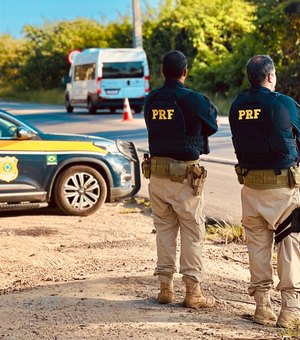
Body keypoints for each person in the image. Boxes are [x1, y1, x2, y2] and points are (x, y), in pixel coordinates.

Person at [143, 50, 219, 308]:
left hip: (157, 175)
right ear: (185, 72)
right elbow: (212, 125)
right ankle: (193, 293)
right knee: (192, 231)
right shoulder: (194, 100)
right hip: (185, 178)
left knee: (164, 230)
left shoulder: (151, 99)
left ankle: (165, 288)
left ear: (162, 72)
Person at [229, 55, 300, 328]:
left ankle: (261, 307)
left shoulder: (237, 106)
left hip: (250, 188)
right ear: (270, 76)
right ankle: (290, 311)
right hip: (282, 189)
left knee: (257, 247)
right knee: (289, 245)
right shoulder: (282, 103)